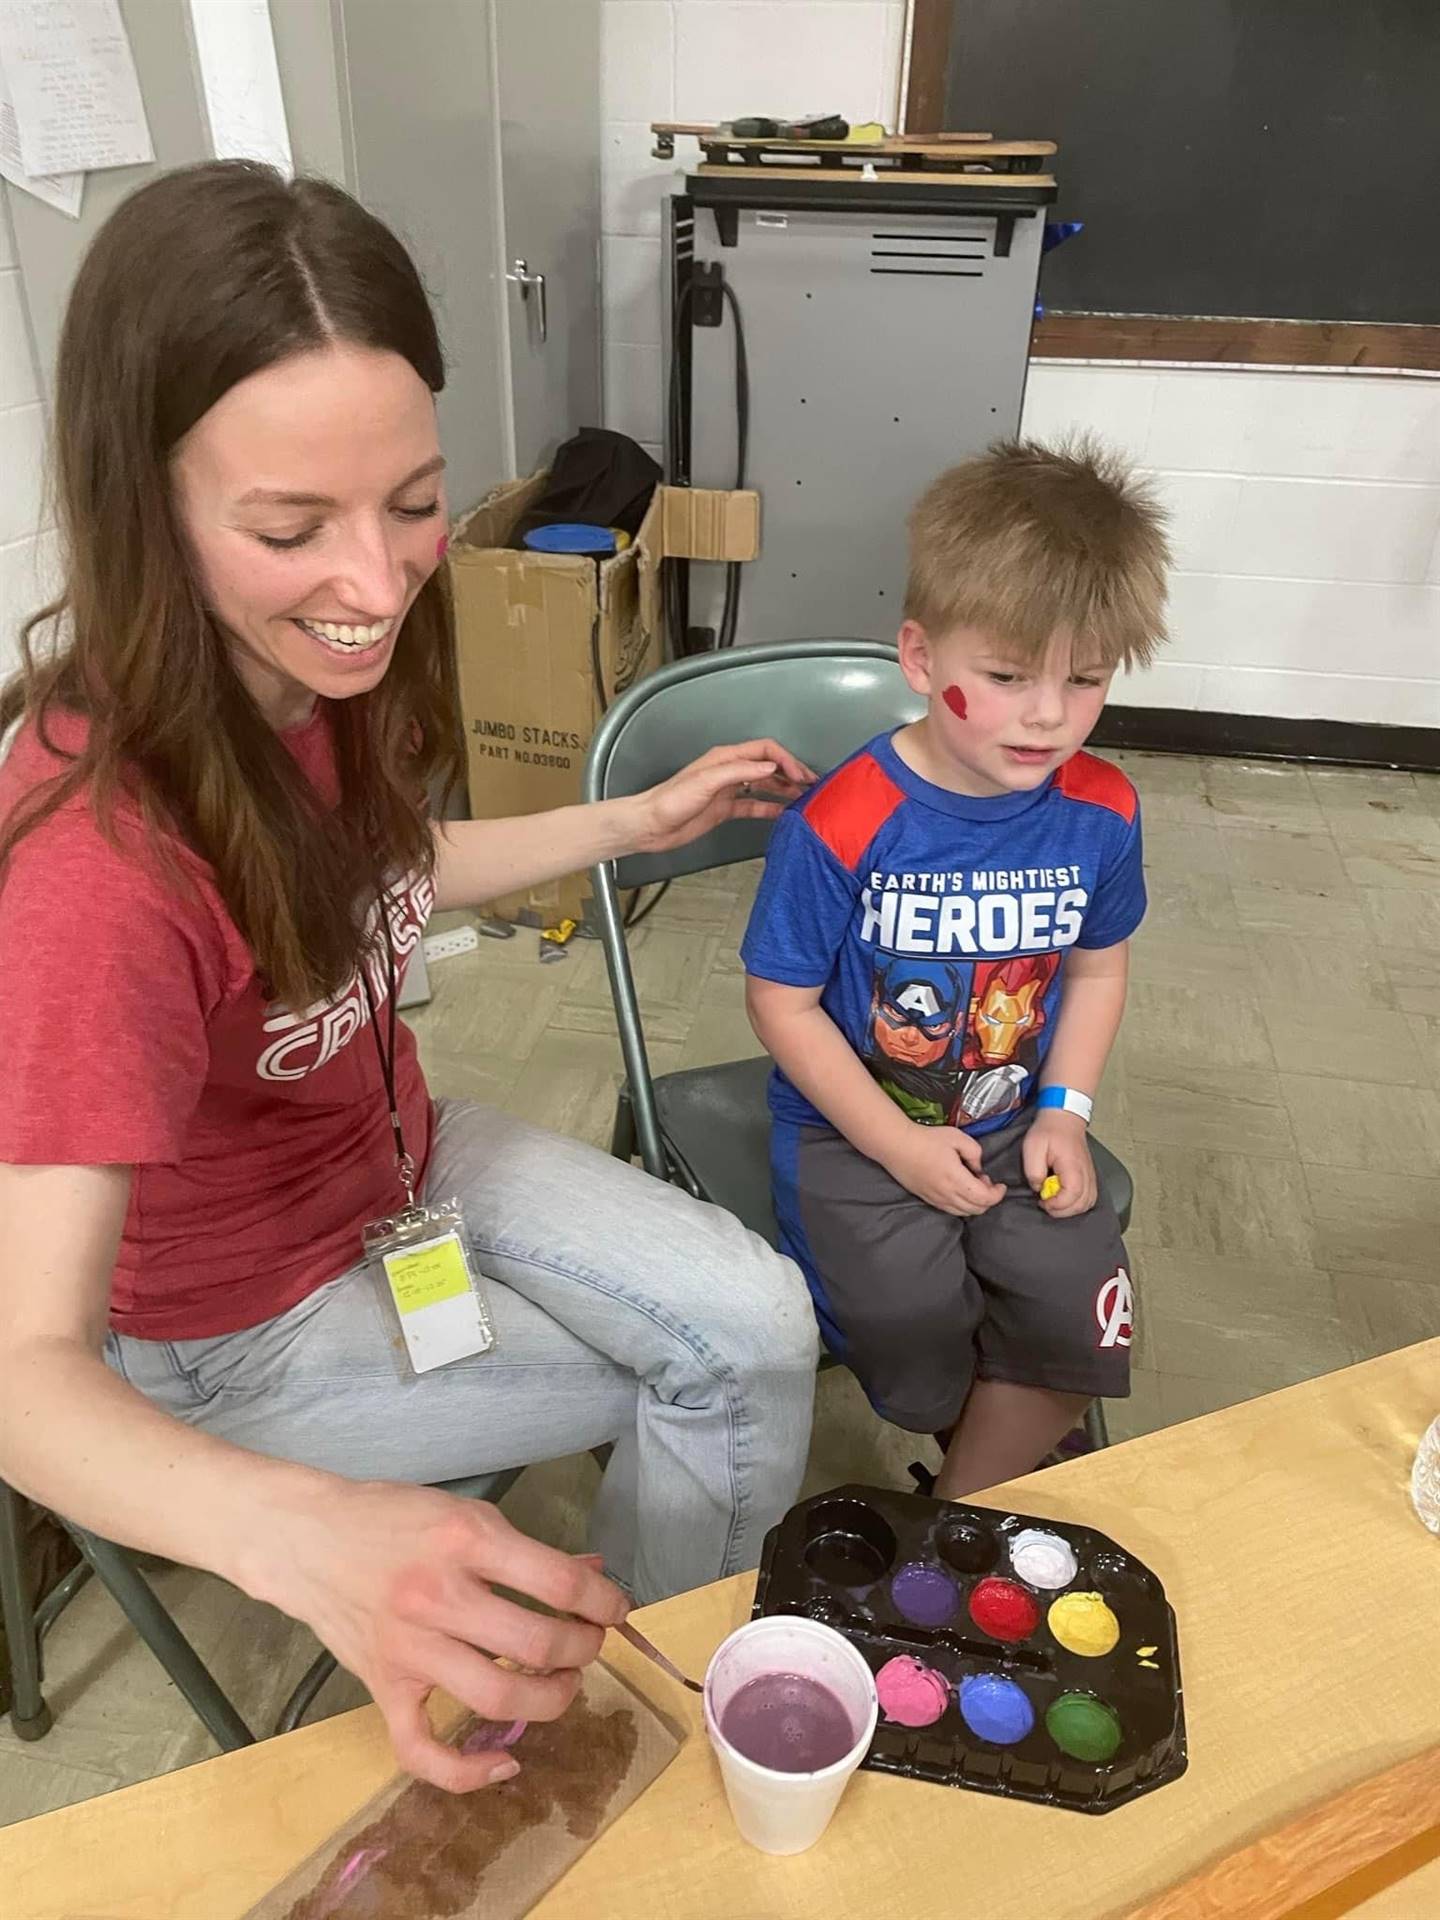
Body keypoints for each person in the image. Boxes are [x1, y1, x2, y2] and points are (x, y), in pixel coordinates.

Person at [0, 161, 819, 1793]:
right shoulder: (92, 874)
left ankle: (628, 1706)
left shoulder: (320, 672)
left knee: (764, 1320)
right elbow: (25, 1368)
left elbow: (366, 880)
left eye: (414, 502)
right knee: (720, 1369)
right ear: (139, 501)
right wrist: (303, 1535)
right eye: (293, 529)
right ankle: (634, 1767)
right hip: (230, 1326)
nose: (377, 589)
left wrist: (628, 818)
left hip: (397, 1167)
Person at [742, 440, 1169, 1500]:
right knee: (909, 1320)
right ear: (923, 660)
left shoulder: (1101, 810)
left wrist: (1066, 1109)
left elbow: (1099, 971)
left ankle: (954, 1503)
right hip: (850, 1129)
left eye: (1084, 680)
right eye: (1010, 677)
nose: (1047, 716)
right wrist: (895, 1145)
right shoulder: (847, 821)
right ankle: (987, 1457)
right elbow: (781, 1004)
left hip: (1018, 1114)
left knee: (1088, 1309)